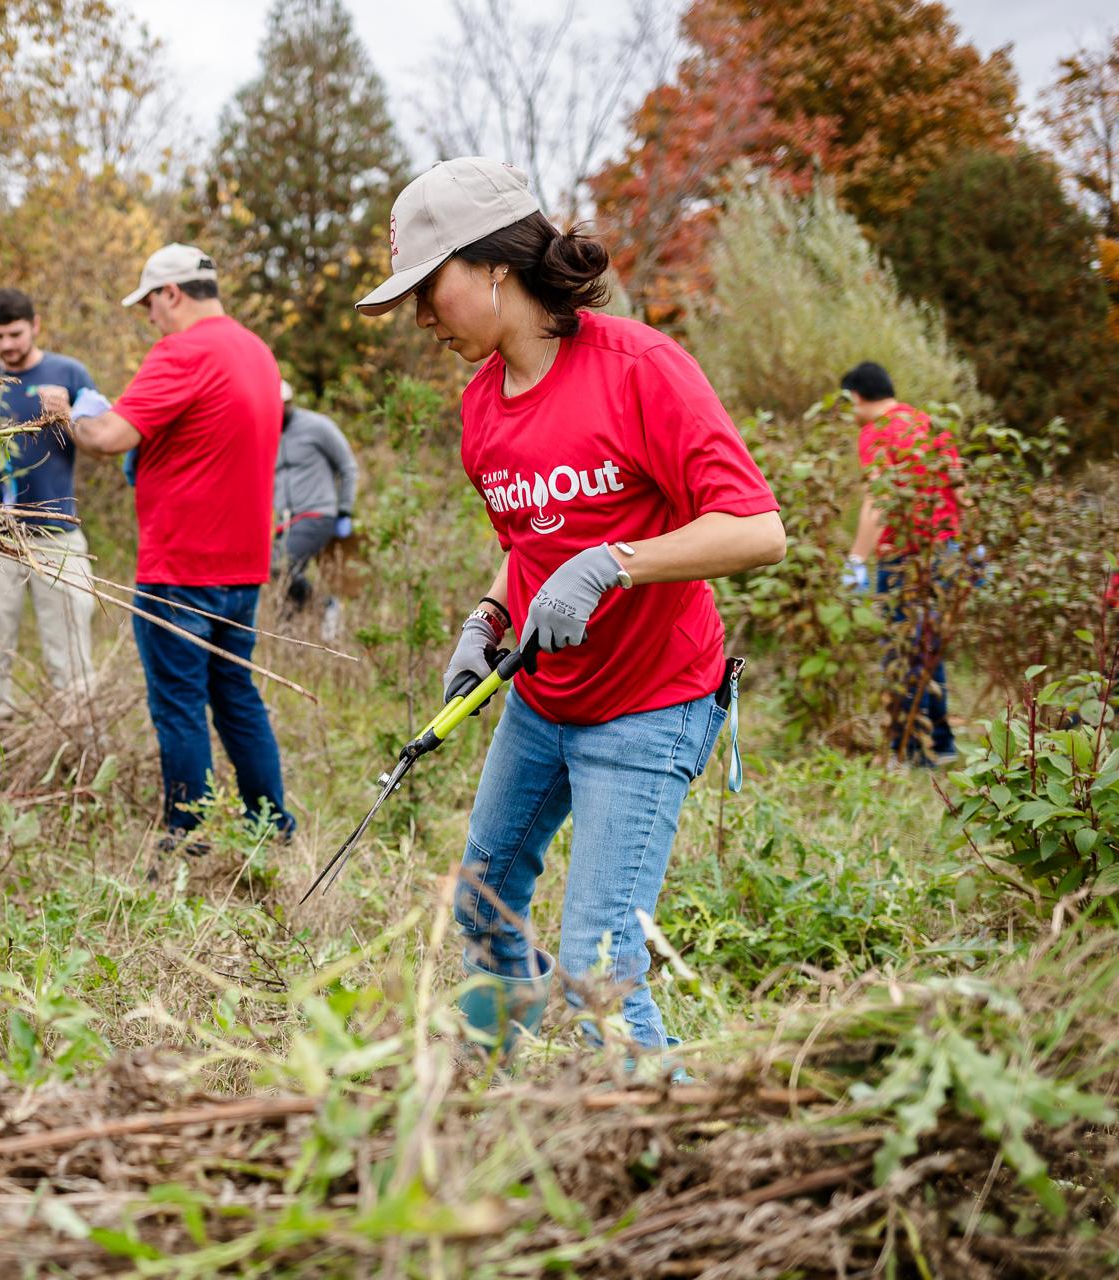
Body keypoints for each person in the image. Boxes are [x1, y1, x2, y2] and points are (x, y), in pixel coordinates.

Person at [356, 158, 785, 1062]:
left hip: (650, 704)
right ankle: (496, 1080)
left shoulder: (640, 368)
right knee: (483, 897)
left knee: (598, 959)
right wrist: (487, 617)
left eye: (430, 292)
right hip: (544, 702)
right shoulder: (482, 408)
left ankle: (648, 1144)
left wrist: (614, 564)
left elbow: (756, 530)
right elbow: (530, 543)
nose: (423, 320)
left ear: (493, 267)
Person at [67, 245, 294, 845]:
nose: (149, 319)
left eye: (149, 304)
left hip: (180, 570)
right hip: (244, 570)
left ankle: (186, 833)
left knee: (179, 706)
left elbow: (111, 436)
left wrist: (66, 415)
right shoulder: (258, 354)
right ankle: (270, 824)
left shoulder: (182, 352)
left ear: (172, 293)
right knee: (237, 697)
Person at [0, 288, 100, 725]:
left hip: (57, 535)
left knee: (71, 649)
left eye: (15, 334)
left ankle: (79, 744)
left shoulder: (70, 374)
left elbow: (103, 442)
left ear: (35, 325)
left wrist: (67, 417)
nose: (7, 345)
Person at [840, 362, 963, 766]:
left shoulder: (875, 432)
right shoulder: (928, 423)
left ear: (857, 395)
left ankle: (908, 748)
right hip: (942, 550)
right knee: (929, 647)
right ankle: (942, 743)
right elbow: (959, 484)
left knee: (901, 649)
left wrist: (857, 559)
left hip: (902, 557)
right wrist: (969, 545)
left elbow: (878, 502)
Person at [273, 379, 358, 633]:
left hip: (317, 514)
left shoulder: (317, 427)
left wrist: (344, 509)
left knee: (281, 566)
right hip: (285, 520)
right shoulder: (268, 433)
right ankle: (292, 634)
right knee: (284, 577)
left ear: (288, 403)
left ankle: (325, 607)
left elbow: (348, 467)